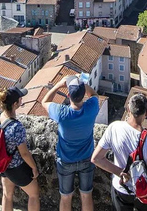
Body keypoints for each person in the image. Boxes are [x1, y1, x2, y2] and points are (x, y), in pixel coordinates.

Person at [91, 93, 147, 211]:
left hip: (122, 190)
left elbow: (96, 158)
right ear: (146, 113)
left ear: (127, 109)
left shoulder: (114, 128)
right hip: (146, 193)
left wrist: (120, 172)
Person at [42, 75, 99, 211]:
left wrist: (58, 85)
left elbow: (44, 101)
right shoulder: (91, 108)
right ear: (83, 94)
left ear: (68, 95)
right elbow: (94, 94)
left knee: (66, 197)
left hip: (66, 160)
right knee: (86, 195)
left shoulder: (61, 113)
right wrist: (82, 84)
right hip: (87, 158)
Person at [0, 86, 41, 211]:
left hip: (3, 164)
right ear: (15, 104)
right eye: (20, 99)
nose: (21, 100)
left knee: (7, 195)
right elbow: (24, 153)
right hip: (16, 167)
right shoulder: (16, 126)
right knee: (34, 194)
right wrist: (34, 168)